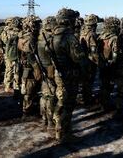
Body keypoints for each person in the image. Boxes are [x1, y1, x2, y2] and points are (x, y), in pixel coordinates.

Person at [51, 8, 89, 143]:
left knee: (60, 100)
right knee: (68, 104)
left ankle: (57, 127)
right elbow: (79, 58)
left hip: (59, 73)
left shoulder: (53, 35)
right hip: (69, 75)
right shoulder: (69, 37)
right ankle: (64, 133)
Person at [17, 15, 42, 116]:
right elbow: (30, 54)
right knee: (29, 89)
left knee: (29, 88)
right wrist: (36, 67)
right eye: (36, 24)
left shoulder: (22, 35)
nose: (38, 26)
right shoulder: (29, 37)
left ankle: (28, 106)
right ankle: (27, 109)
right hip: (30, 67)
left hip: (26, 65)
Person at [38, 16, 57, 130]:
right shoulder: (49, 40)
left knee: (44, 96)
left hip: (43, 69)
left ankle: (44, 118)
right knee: (51, 97)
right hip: (49, 70)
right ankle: (50, 121)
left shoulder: (40, 38)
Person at [97, 17, 120, 111]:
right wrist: (114, 63)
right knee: (109, 85)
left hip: (102, 63)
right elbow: (115, 53)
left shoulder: (101, 36)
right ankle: (105, 104)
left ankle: (102, 101)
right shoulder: (114, 38)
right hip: (110, 65)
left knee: (103, 83)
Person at [79, 14, 102, 106]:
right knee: (89, 81)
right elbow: (93, 51)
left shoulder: (83, 32)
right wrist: (98, 63)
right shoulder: (91, 35)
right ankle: (87, 99)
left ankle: (85, 97)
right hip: (89, 61)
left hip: (83, 60)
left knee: (85, 81)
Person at [1, 17, 22, 94]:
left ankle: (8, 85)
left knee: (9, 70)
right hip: (12, 53)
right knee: (13, 70)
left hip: (9, 53)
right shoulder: (13, 32)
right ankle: (11, 86)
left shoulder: (5, 31)